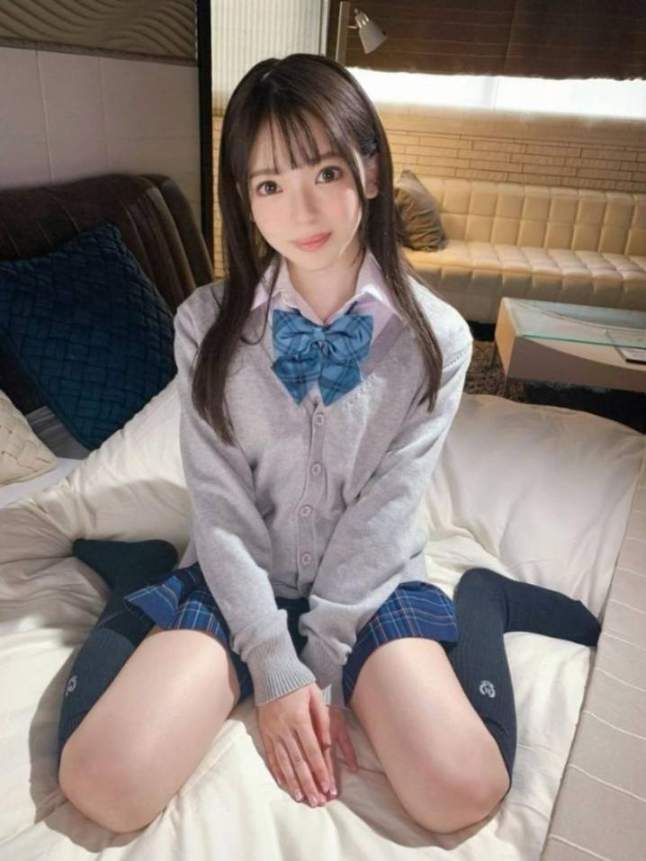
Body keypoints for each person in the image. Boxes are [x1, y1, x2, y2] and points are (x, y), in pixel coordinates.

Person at [57, 53, 601, 836]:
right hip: (238, 575)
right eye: (269, 185)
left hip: (372, 580)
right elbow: (220, 506)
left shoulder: (438, 338)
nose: (301, 209)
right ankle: (139, 577)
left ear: (370, 171)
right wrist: (271, 663)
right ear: (243, 198)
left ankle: (484, 597)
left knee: (463, 788)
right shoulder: (205, 324)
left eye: (326, 172)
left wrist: (319, 660)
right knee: (102, 781)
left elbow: (386, 510)